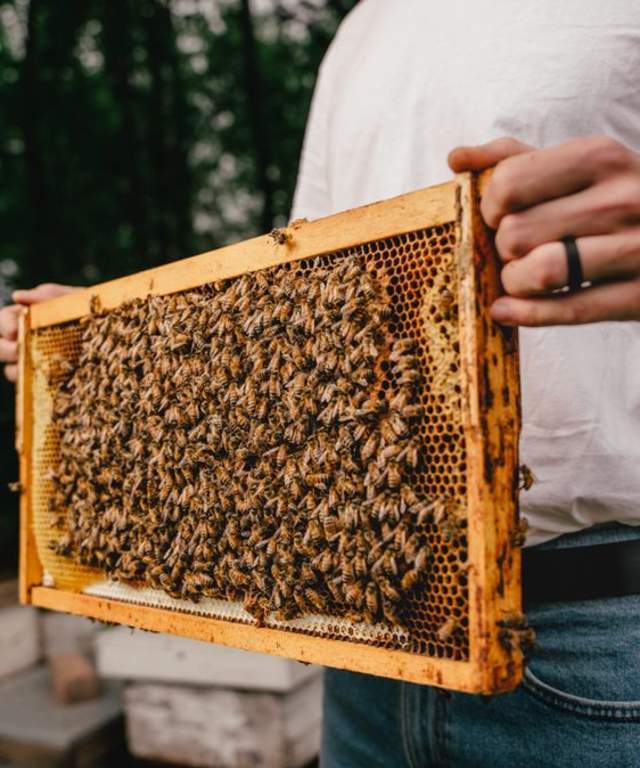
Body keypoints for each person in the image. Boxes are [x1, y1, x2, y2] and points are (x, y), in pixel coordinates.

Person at [2, 1, 640, 765]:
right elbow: (309, 298)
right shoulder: (364, 29)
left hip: (603, 636)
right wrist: (115, 350)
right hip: (369, 639)